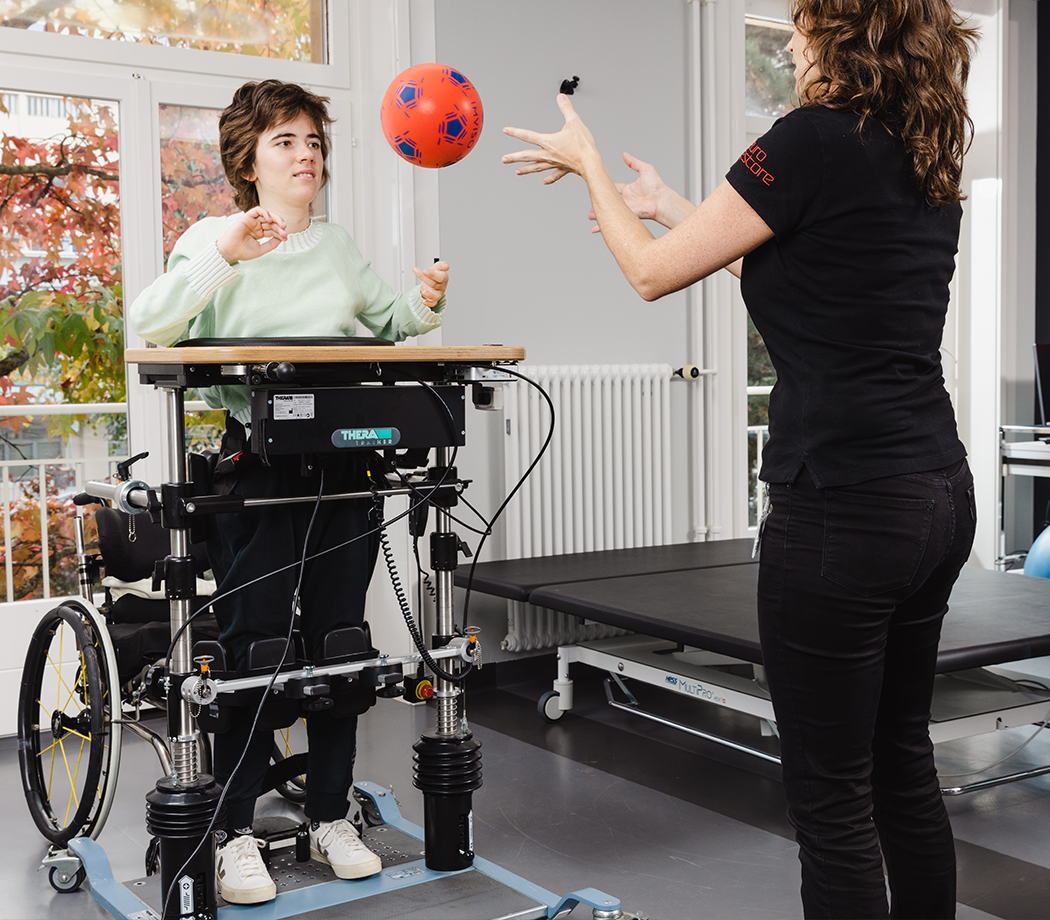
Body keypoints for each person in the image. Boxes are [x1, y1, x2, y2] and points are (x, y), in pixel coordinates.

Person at [502, 1, 978, 917]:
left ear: (838, 33)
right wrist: (667, 205)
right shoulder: (921, 151)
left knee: (833, 795)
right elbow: (803, 272)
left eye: (801, 23)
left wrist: (592, 168)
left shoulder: (806, 138)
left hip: (842, 505)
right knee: (900, 763)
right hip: (934, 494)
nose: (794, 42)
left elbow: (647, 272)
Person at [131, 79, 450, 905]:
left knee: (343, 640)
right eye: (285, 142)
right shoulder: (214, 237)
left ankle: (329, 815)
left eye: (312, 141)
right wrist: (226, 256)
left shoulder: (339, 246)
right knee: (256, 648)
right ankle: (236, 830)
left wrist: (426, 299)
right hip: (258, 468)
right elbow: (155, 324)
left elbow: (391, 323)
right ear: (249, 160)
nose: (306, 154)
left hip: (345, 463)